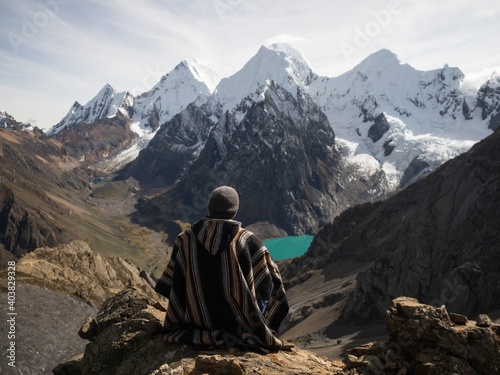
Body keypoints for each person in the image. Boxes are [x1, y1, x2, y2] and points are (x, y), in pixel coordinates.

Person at [155, 186, 289, 353]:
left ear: (209, 208)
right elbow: (270, 285)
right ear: (234, 210)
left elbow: (172, 284)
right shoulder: (248, 241)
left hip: (196, 323)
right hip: (239, 327)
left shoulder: (184, 240)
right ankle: (255, 329)